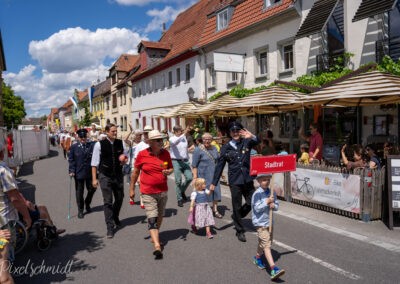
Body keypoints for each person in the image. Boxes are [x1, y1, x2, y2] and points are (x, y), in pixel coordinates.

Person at [210, 121, 260, 242]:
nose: (236, 133)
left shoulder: (246, 141)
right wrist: (214, 182)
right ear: (230, 133)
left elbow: (258, 141)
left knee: (252, 201)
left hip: (247, 179)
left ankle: (238, 216)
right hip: (235, 181)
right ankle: (240, 230)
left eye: (238, 130)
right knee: (236, 205)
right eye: (233, 131)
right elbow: (220, 166)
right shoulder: (225, 148)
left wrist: (251, 135)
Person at [130, 130, 173, 259]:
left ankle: (154, 234)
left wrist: (168, 172)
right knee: (152, 217)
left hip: (162, 191)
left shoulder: (166, 153)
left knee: (160, 216)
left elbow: (170, 167)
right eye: (158, 140)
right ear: (151, 142)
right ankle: (157, 247)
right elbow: (135, 173)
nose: (161, 142)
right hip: (147, 191)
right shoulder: (142, 154)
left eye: (162, 140)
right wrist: (131, 189)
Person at [91, 123, 126, 239]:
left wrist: (124, 160)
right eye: (113, 131)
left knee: (120, 197)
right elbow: (94, 163)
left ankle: (115, 215)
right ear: (106, 132)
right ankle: (110, 227)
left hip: (118, 174)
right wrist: (94, 179)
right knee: (108, 201)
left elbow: (124, 157)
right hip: (105, 175)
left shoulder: (120, 143)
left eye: (116, 131)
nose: (115, 133)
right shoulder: (99, 144)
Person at [251, 173, 285, 281]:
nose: (267, 181)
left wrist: (273, 205)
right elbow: (256, 208)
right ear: (259, 181)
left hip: (269, 222)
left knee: (264, 241)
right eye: (264, 180)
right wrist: (267, 202)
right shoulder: (257, 194)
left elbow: (277, 206)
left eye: (268, 179)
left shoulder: (272, 192)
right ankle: (273, 268)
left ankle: (257, 258)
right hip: (260, 223)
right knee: (267, 245)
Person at [191, 133, 222, 218]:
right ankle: (203, 210)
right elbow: (194, 165)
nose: (207, 141)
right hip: (203, 176)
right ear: (202, 139)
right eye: (205, 139)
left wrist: (221, 174)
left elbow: (218, 161)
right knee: (204, 193)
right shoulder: (198, 150)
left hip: (214, 174)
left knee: (216, 192)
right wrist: (195, 177)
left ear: (211, 140)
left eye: (209, 139)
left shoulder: (215, 148)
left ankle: (215, 210)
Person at [68, 129, 96, 219]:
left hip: (90, 172)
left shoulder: (91, 145)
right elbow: (71, 159)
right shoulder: (74, 147)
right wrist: (71, 170)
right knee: (79, 192)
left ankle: (87, 203)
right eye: (81, 137)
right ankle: (80, 209)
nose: (83, 138)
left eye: (84, 137)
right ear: (78, 137)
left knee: (92, 189)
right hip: (79, 172)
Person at [169, 125, 193, 207]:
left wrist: (188, 154)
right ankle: (179, 199)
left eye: (182, 130)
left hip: (185, 161)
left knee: (190, 178)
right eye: (180, 130)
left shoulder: (184, 138)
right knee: (178, 181)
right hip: (176, 161)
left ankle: (182, 190)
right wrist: (185, 133)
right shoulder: (172, 139)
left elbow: (184, 148)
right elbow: (176, 142)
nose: (181, 131)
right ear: (175, 131)